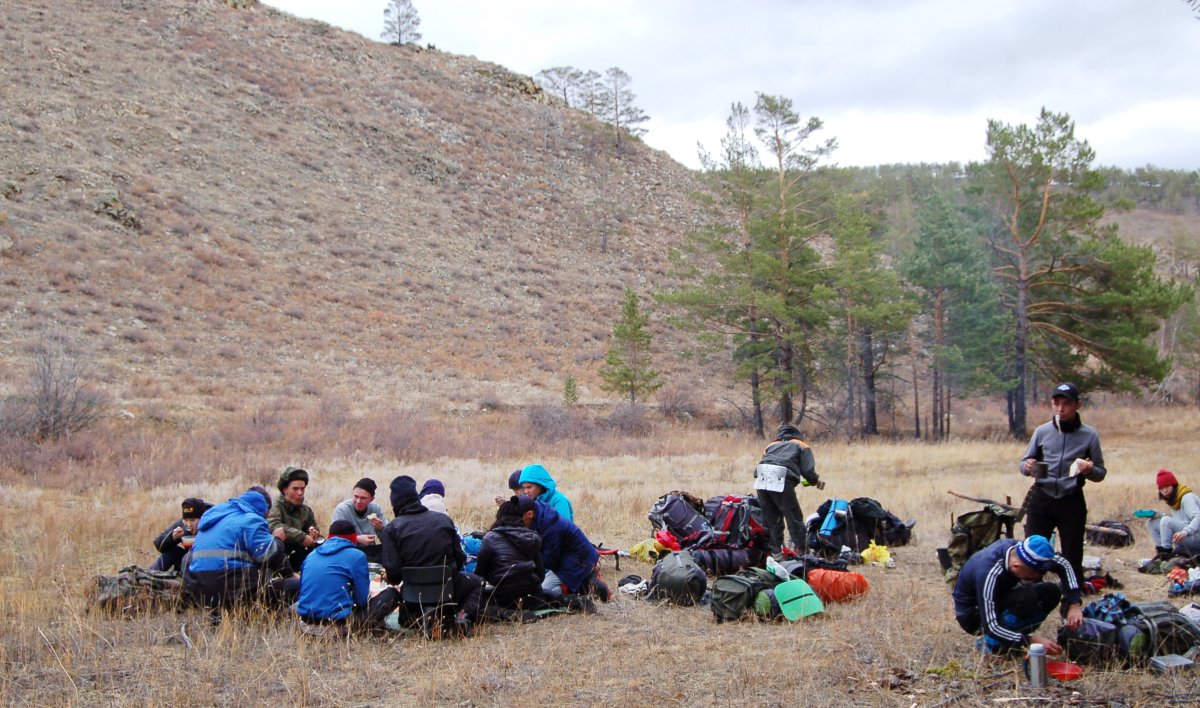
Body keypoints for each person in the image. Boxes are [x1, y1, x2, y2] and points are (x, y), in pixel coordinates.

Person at [1019, 382, 1106, 582]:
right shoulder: (1042, 432)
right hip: (1042, 497)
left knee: (1072, 555)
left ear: (1078, 405)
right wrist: (1028, 467)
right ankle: (1031, 594)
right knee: (1032, 551)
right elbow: (1024, 463)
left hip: (1071, 500)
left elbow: (1101, 472)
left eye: (1066, 404)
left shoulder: (1089, 435)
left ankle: (1072, 598)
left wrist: (1090, 469)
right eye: (1056, 403)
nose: (1061, 409)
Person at [380, 475, 483, 636]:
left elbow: (394, 575)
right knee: (478, 583)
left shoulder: (392, 529)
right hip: (447, 591)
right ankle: (463, 616)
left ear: (394, 504)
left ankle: (421, 619)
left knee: (405, 619)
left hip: (413, 596)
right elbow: (460, 558)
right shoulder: (443, 520)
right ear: (416, 498)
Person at [952, 535, 1083, 655]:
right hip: (973, 616)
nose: (1038, 577)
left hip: (998, 598)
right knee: (1026, 597)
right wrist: (1030, 640)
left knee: (1051, 592)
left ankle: (1014, 636)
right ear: (1016, 567)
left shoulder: (1024, 552)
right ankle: (992, 645)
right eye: (1034, 574)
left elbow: (1063, 564)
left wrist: (1074, 603)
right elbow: (991, 626)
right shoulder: (988, 572)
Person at [183, 486, 296, 617]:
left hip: (202, 595)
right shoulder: (252, 519)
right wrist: (277, 540)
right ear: (262, 511)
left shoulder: (213, 519)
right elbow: (268, 555)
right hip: (234, 592)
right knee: (296, 587)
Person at [294, 520, 398, 634]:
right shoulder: (356, 555)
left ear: (329, 537)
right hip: (338, 627)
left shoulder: (311, 555)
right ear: (354, 538)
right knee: (391, 594)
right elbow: (361, 600)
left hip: (305, 624)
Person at [754, 424, 821, 556]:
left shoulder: (771, 445)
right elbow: (808, 471)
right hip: (781, 477)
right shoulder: (801, 445)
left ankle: (776, 552)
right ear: (798, 434)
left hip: (761, 477)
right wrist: (815, 481)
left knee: (772, 519)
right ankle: (803, 551)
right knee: (793, 517)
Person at [474, 495, 547, 612]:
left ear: (499, 517)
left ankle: (506, 613)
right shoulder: (532, 537)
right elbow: (540, 574)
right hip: (533, 597)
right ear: (521, 518)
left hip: (503, 597)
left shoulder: (490, 538)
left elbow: (479, 574)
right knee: (548, 593)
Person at [532, 499, 607, 610]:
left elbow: (551, 559)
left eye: (529, 487)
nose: (525, 491)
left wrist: (533, 564)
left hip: (573, 560)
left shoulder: (557, 505)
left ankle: (582, 589)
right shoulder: (539, 509)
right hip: (566, 556)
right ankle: (585, 583)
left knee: (541, 593)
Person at [267, 466, 321, 570]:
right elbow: (273, 525)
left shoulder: (306, 511)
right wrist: (302, 537)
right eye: (295, 489)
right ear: (284, 490)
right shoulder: (274, 508)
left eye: (302, 489)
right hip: (280, 557)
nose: (300, 493)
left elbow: (313, 527)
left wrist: (314, 533)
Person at [330, 478, 386, 563]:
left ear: (372, 499)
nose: (358, 501)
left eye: (363, 498)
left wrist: (381, 528)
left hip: (370, 551)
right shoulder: (342, 510)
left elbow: (388, 540)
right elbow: (334, 539)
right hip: (347, 551)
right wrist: (357, 539)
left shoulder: (375, 509)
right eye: (356, 497)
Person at [1149, 468, 1200, 559]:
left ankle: (1166, 554)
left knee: (1166, 521)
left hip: (1196, 536)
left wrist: (1185, 532)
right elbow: (1180, 520)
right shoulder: (1173, 499)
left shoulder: (1186, 498)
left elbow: (1198, 517)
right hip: (1186, 535)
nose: (1165, 491)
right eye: (1161, 489)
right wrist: (1157, 515)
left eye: (1167, 487)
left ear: (1174, 485)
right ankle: (1161, 552)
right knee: (1152, 522)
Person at [150, 497, 211, 573]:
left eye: (192, 520)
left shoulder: (213, 524)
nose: (189, 524)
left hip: (209, 564)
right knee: (173, 552)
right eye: (185, 520)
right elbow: (158, 544)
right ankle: (148, 578)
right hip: (188, 563)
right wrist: (172, 537)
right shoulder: (183, 525)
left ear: (202, 518)